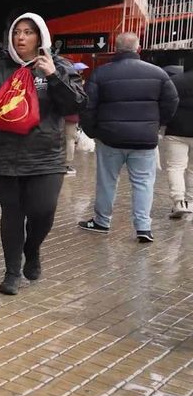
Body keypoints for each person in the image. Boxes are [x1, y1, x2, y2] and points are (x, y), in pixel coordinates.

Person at [0, 13, 87, 295]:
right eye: (16, 32)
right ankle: (12, 272)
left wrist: (52, 76)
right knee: (12, 213)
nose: (21, 38)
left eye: (28, 32)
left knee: (43, 210)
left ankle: (32, 249)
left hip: (45, 154)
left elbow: (76, 103)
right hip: (4, 153)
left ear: (40, 37)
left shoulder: (58, 67)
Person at [78, 33, 178, 242]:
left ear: (116, 48)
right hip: (144, 140)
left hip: (110, 139)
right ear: (138, 49)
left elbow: (88, 106)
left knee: (107, 182)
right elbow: (171, 102)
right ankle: (143, 227)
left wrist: (92, 131)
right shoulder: (158, 74)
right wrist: (156, 124)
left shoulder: (101, 74)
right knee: (143, 183)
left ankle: (101, 221)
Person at [164, 63, 193, 219]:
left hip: (176, 130)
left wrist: (166, 121)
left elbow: (167, 103)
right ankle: (191, 202)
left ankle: (178, 202)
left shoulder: (176, 81)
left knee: (176, 167)